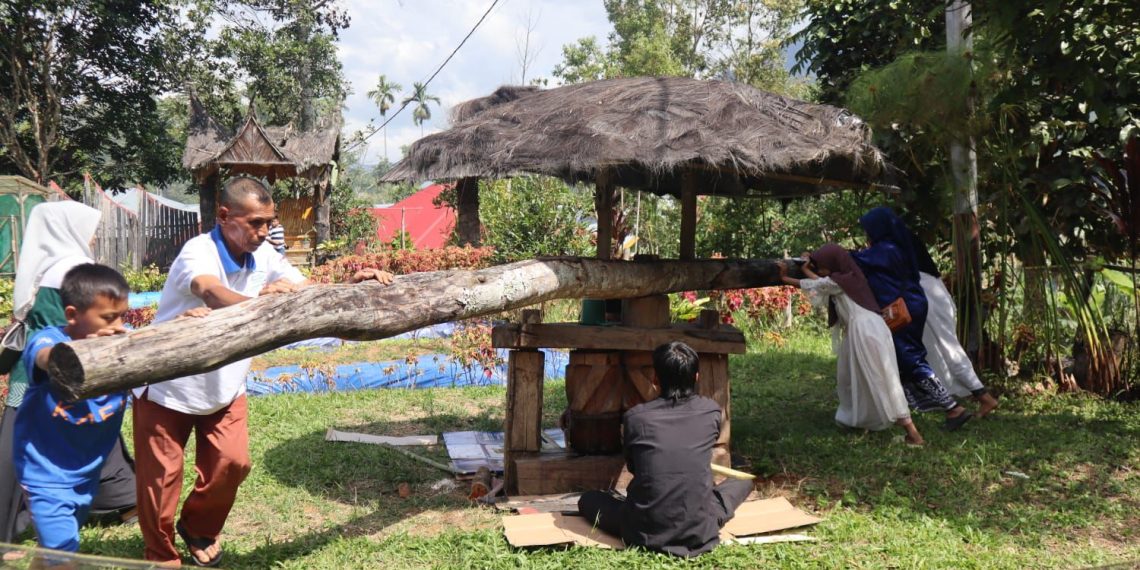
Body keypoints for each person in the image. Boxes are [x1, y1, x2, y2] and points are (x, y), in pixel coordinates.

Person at [131, 177, 394, 566]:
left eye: (269, 222)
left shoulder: (266, 255)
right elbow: (210, 292)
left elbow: (303, 291)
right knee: (161, 480)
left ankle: (199, 527)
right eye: (255, 222)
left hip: (225, 385)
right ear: (224, 216)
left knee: (233, 463)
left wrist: (345, 286)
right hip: (168, 385)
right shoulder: (199, 251)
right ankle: (160, 555)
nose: (265, 231)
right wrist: (259, 301)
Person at [0, 202, 137, 546]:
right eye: (108, 318)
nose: (117, 327)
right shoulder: (70, 277)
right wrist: (61, 359)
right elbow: (44, 347)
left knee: (55, 554)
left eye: (122, 317)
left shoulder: (49, 269)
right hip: (47, 470)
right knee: (63, 552)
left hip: (82, 472)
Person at [577, 341, 752, 558]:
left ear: (655, 379)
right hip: (700, 529)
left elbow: (635, 467)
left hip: (643, 529)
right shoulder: (711, 412)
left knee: (588, 499)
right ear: (696, 378)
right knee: (743, 481)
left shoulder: (635, 417)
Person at [778, 245, 924, 445]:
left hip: (866, 332)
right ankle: (864, 419)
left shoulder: (842, 281)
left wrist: (788, 277)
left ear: (832, 264)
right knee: (854, 376)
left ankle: (913, 433)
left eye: (821, 266)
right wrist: (809, 261)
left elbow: (817, 284)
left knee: (881, 379)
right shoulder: (848, 277)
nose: (819, 270)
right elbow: (820, 282)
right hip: (866, 330)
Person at [851, 207, 972, 430]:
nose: (867, 235)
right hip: (911, 304)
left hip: (903, 309)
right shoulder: (894, 246)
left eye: (868, 230)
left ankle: (953, 408)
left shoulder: (886, 249)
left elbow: (854, 261)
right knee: (903, 359)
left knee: (911, 359)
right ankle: (907, 409)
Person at [904, 224, 1000, 417]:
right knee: (941, 351)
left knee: (950, 351)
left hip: (930, 302)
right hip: (932, 301)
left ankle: (984, 397)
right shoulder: (924, 273)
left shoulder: (921, 278)